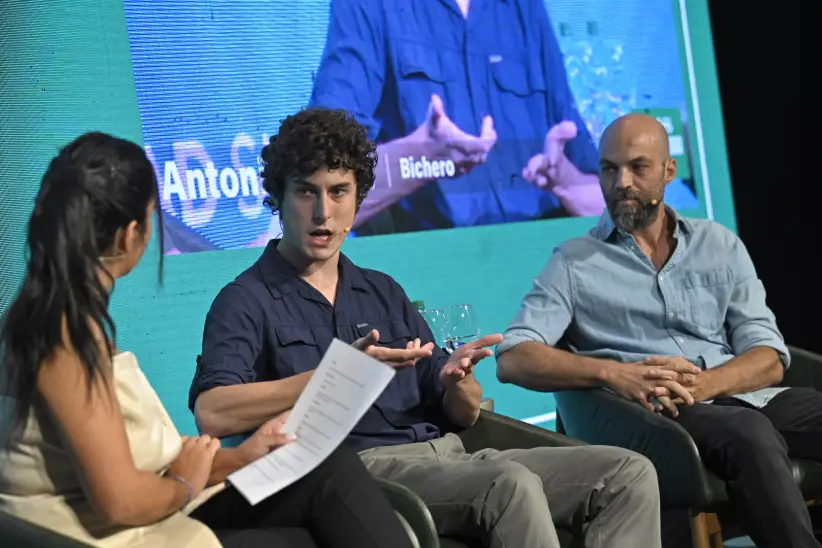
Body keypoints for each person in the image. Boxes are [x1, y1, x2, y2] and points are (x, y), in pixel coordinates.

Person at [190, 106, 664, 548]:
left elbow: (462, 411)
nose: (322, 213)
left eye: (338, 192)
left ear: (358, 198)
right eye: (305, 192)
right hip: (360, 477)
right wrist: (337, 373)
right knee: (509, 485)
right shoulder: (245, 300)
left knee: (629, 472)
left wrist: (459, 382)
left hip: (451, 454)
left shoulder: (382, 291)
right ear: (278, 196)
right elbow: (213, 414)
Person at [0, 132, 415, 548]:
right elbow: (121, 502)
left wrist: (240, 457)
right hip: (127, 534)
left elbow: (141, 459)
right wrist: (184, 483)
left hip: (154, 514)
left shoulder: (58, 323)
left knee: (318, 499)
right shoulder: (64, 338)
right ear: (131, 234)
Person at [495, 112, 822, 548]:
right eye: (608, 169)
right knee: (749, 434)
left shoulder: (718, 243)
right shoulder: (574, 262)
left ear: (669, 171)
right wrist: (613, 373)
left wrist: (707, 384)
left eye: (638, 167)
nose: (621, 182)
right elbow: (513, 357)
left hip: (736, 393)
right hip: (658, 414)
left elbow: (768, 355)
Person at [308, 0, 606, 236]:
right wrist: (420, 158)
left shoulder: (524, 7)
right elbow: (318, 188)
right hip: (432, 269)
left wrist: (563, 179)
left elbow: (600, 202)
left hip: (545, 262)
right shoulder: (369, 6)